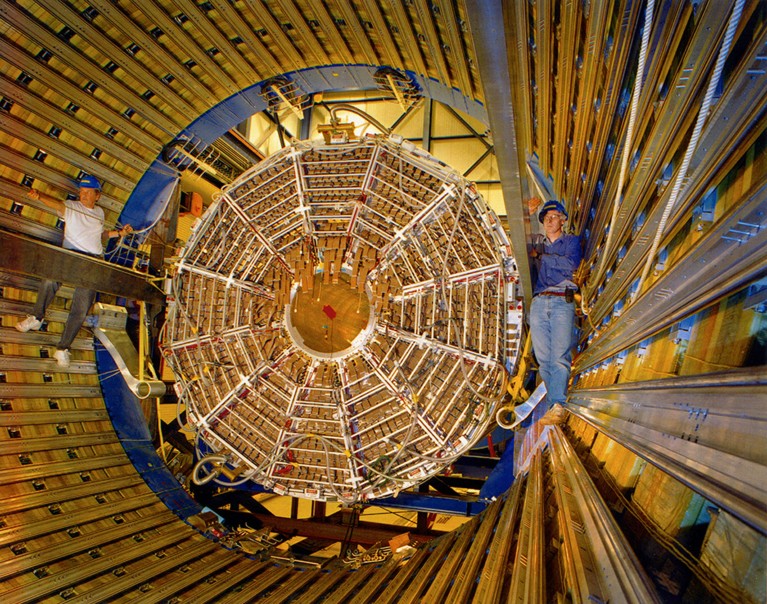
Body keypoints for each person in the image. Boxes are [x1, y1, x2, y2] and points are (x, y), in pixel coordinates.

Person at [15, 175, 132, 367]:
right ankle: (36, 317)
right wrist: (39, 197)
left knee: (81, 307)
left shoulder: (100, 213)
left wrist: (119, 233)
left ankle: (63, 348)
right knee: (50, 280)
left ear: (98, 195)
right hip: (72, 255)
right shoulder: (71, 207)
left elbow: (99, 234)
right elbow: (57, 205)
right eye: (81, 192)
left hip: (93, 261)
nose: (83, 195)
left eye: (87, 192)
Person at [528, 199, 582, 425]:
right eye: (545, 218)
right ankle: (554, 406)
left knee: (559, 357)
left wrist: (541, 257)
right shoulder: (536, 242)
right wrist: (527, 213)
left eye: (554, 217)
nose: (550, 220)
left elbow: (571, 266)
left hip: (562, 301)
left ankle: (558, 405)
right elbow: (515, 246)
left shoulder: (571, 242)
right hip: (539, 302)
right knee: (543, 360)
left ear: (563, 219)